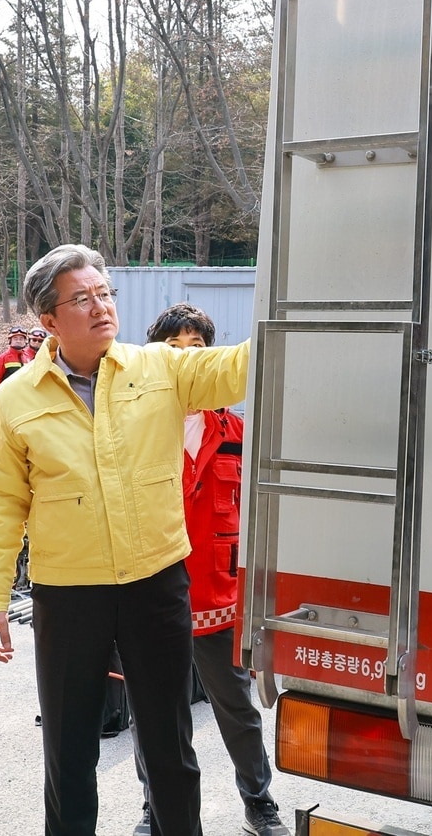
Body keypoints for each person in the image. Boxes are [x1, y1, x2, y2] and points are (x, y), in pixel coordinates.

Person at [0, 244, 249, 836]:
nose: (100, 308)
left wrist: (296, 313)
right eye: (82, 299)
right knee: (71, 748)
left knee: (169, 740)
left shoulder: (161, 368)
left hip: (156, 581)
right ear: (48, 321)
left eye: (104, 295)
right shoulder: (14, 400)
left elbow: (236, 367)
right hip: (69, 593)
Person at [129, 304, 287, 836]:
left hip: (219, 597)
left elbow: (265, 521)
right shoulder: (134, 430)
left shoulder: (240, 432)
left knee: (237, 711)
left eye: (197, 349)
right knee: (154, 715)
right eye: (175, 350)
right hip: (152, 594)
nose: (186, 360)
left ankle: (258, 802)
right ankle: (156, 806)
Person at [0, 324, 28, 390]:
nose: (18, 341)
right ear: (10, 341)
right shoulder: (3, 358)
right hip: (8, 396)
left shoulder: (27, 357)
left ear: (25, 341)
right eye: (15, 338)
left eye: (21, 338)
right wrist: (0, 394)